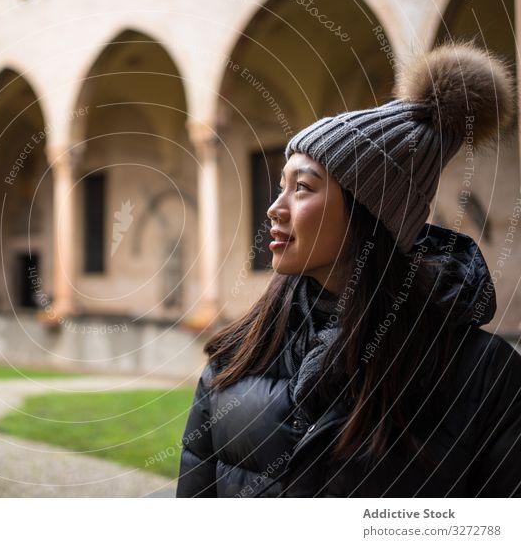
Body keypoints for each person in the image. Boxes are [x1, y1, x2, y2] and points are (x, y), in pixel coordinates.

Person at [176, 43, 521, 497]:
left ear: (371, 213)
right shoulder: (238, 355)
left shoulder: (484, 375)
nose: (274, 209)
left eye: (302, 188)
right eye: (281, 186)